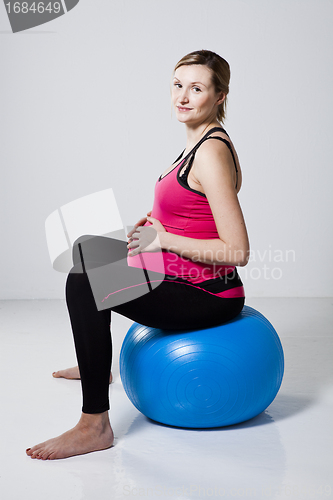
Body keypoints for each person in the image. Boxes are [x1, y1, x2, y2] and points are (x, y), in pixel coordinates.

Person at [26, 50, 250, 460]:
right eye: (178, 85)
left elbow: (236, 250)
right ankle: (96, 363)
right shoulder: (195, 144)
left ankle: (94, 424)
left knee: (84, 280)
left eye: (197, 88)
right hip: (180, 273)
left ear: (219, 97)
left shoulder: (211, 151)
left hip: (208, 295)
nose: (183, 97)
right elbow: (191, 213)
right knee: (86, 249)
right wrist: (156, 227)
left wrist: (163, 241)